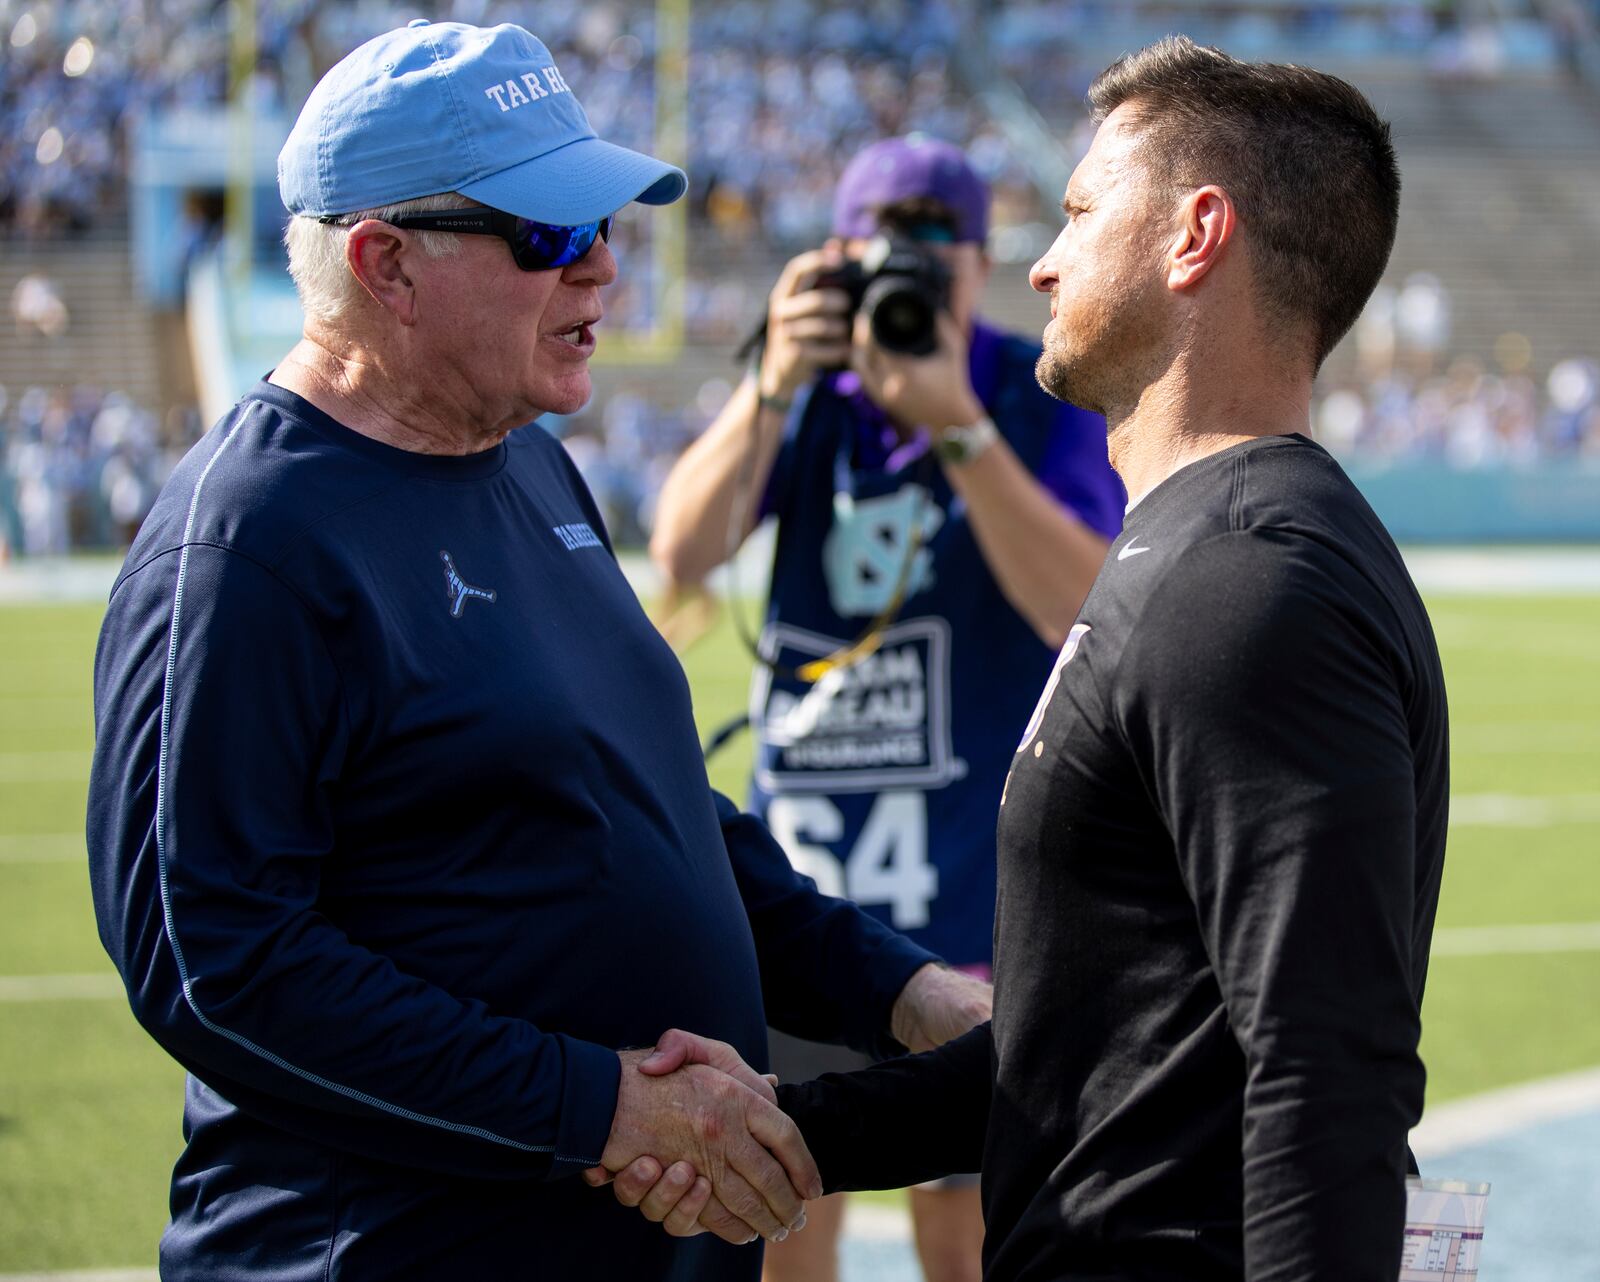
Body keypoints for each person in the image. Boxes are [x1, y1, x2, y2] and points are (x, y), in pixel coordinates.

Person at [84, 21, 989, 1282]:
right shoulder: (249, 545)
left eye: (608, 228)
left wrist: (899, 991)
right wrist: (604, 1106)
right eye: (552, 236)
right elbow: (216, 964)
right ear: (384, 262)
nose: (604, 272)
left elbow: (655, 807)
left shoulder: (525, 458)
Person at [603, 36, 1450, 1282]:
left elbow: (1329, 1070)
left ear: (1194, 234)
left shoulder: (1252, 584)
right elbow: (1090, 1039)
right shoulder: (1197, 547)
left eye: (1077, 212)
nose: (1042, 263)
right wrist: (788, 1127)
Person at [649, 135, 1123, 1282]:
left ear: (976, 264)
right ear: (834, 255)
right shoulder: (806, 394)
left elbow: (1082, 602)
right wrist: (769, 384)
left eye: (931, 244)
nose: (904, 268)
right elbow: (682, 550)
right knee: (781, 1196)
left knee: (966, 1224)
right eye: (878, 241)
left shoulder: (1030, 389)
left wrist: (954, 422)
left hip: (975, 879)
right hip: (809, 895)